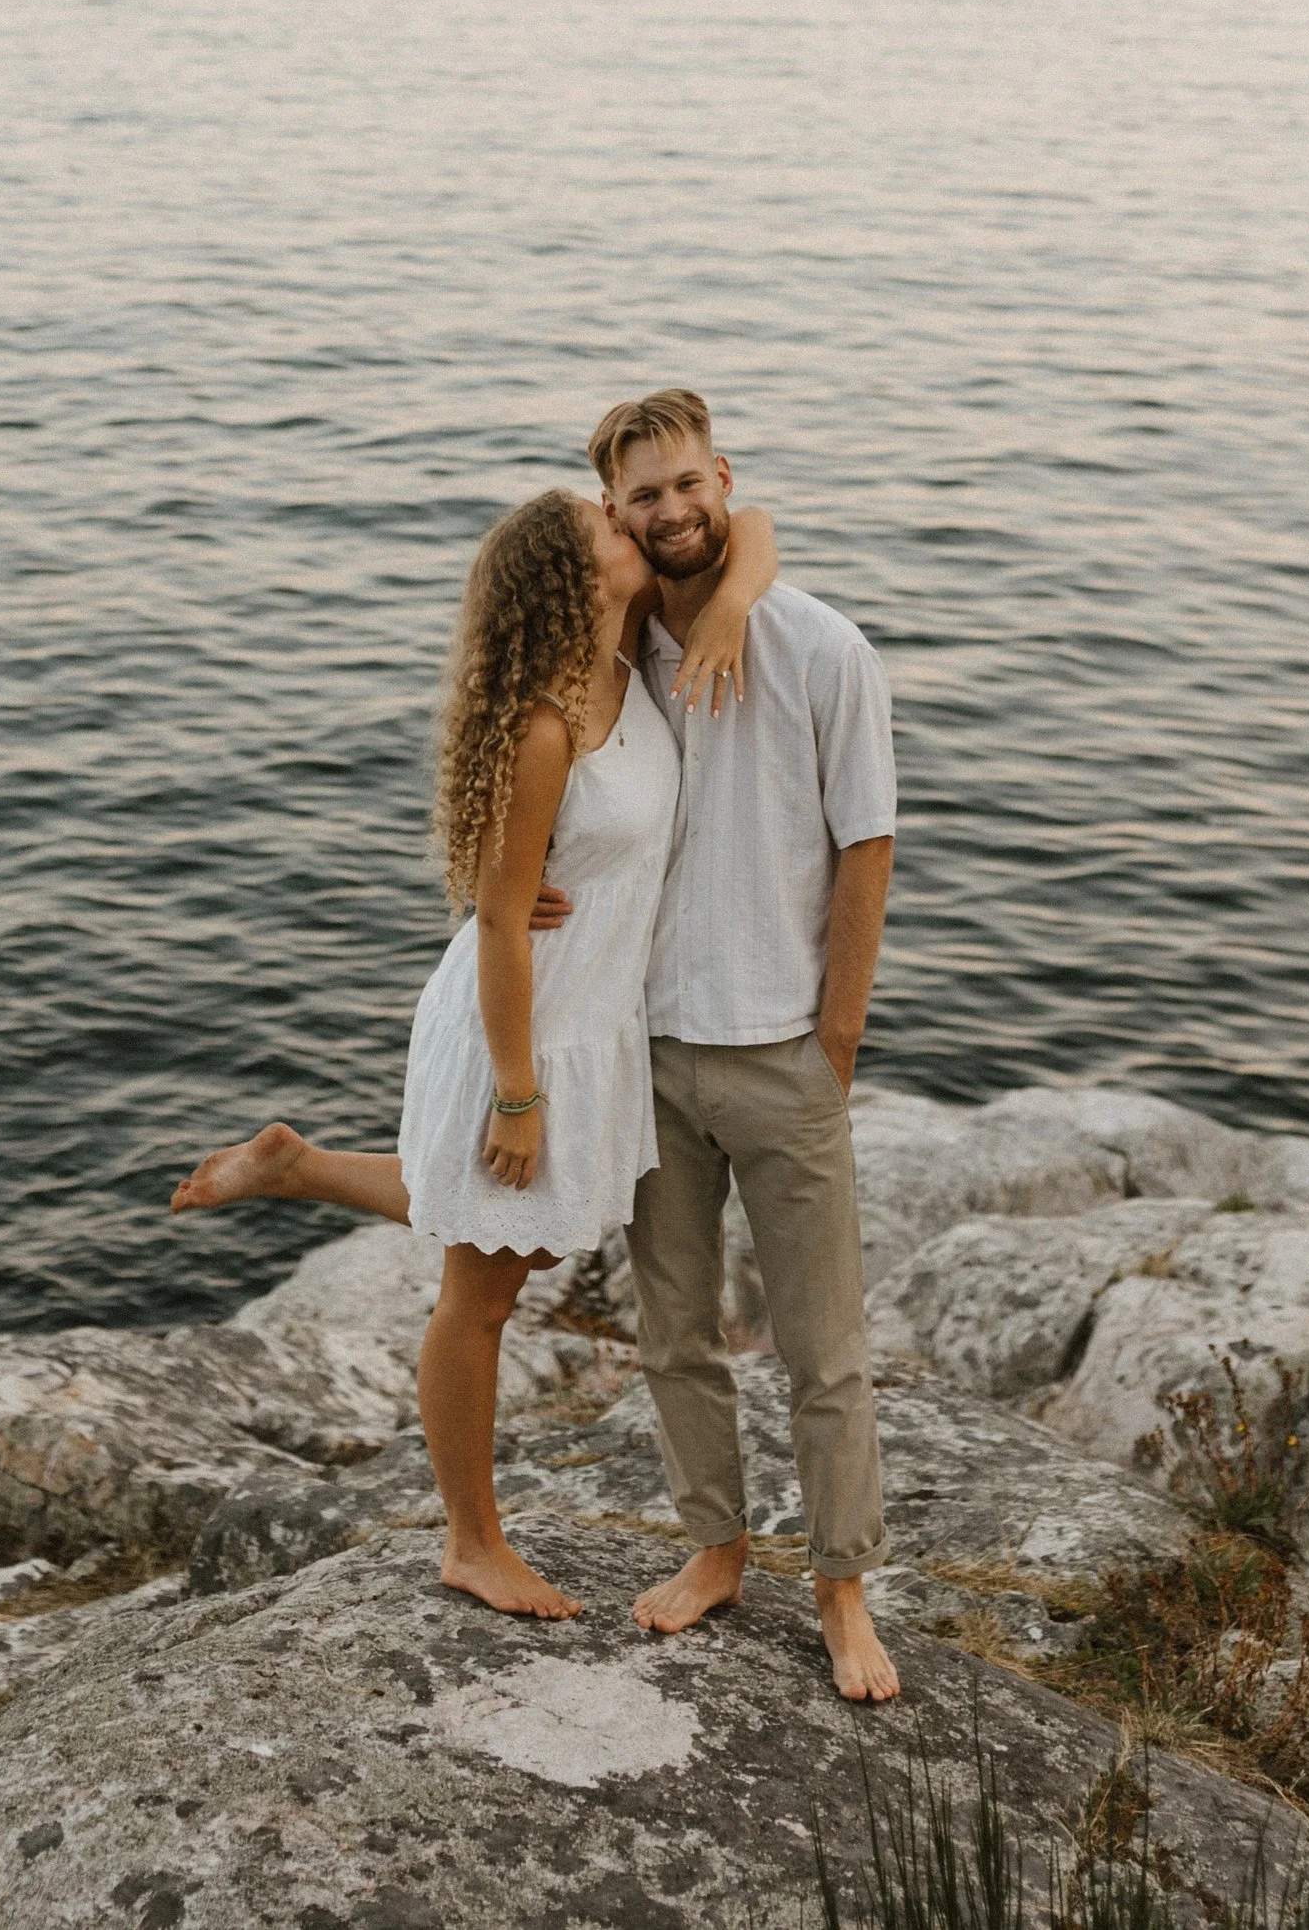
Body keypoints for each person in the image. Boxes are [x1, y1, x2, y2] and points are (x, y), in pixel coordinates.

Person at [168, 484, 777, 1622]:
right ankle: (470, 1543)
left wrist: (735, 601)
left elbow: (759, 528)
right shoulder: (547, 720)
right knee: (480, 1297)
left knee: (528, 1243)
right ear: (573, 576)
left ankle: (297, 1167)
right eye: (605, 525)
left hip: (585, 1018)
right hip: (524, 1026)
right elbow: (500, 921)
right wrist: (516, 1094)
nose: (625, 520)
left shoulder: (628, 655)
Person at [567, 388, 900, 1704]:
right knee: (673, 1333)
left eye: (690, 484)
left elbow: (867, 844)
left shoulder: (822, 648)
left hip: (780, 1052)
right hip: (650, 1053)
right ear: (616, 510)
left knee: (825, 1348)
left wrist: (839, 1032)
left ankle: (843, 1587)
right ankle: (716, 1548)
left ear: (723, 481)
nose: (673, 511)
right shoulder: (612, 652)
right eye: (644, 494)